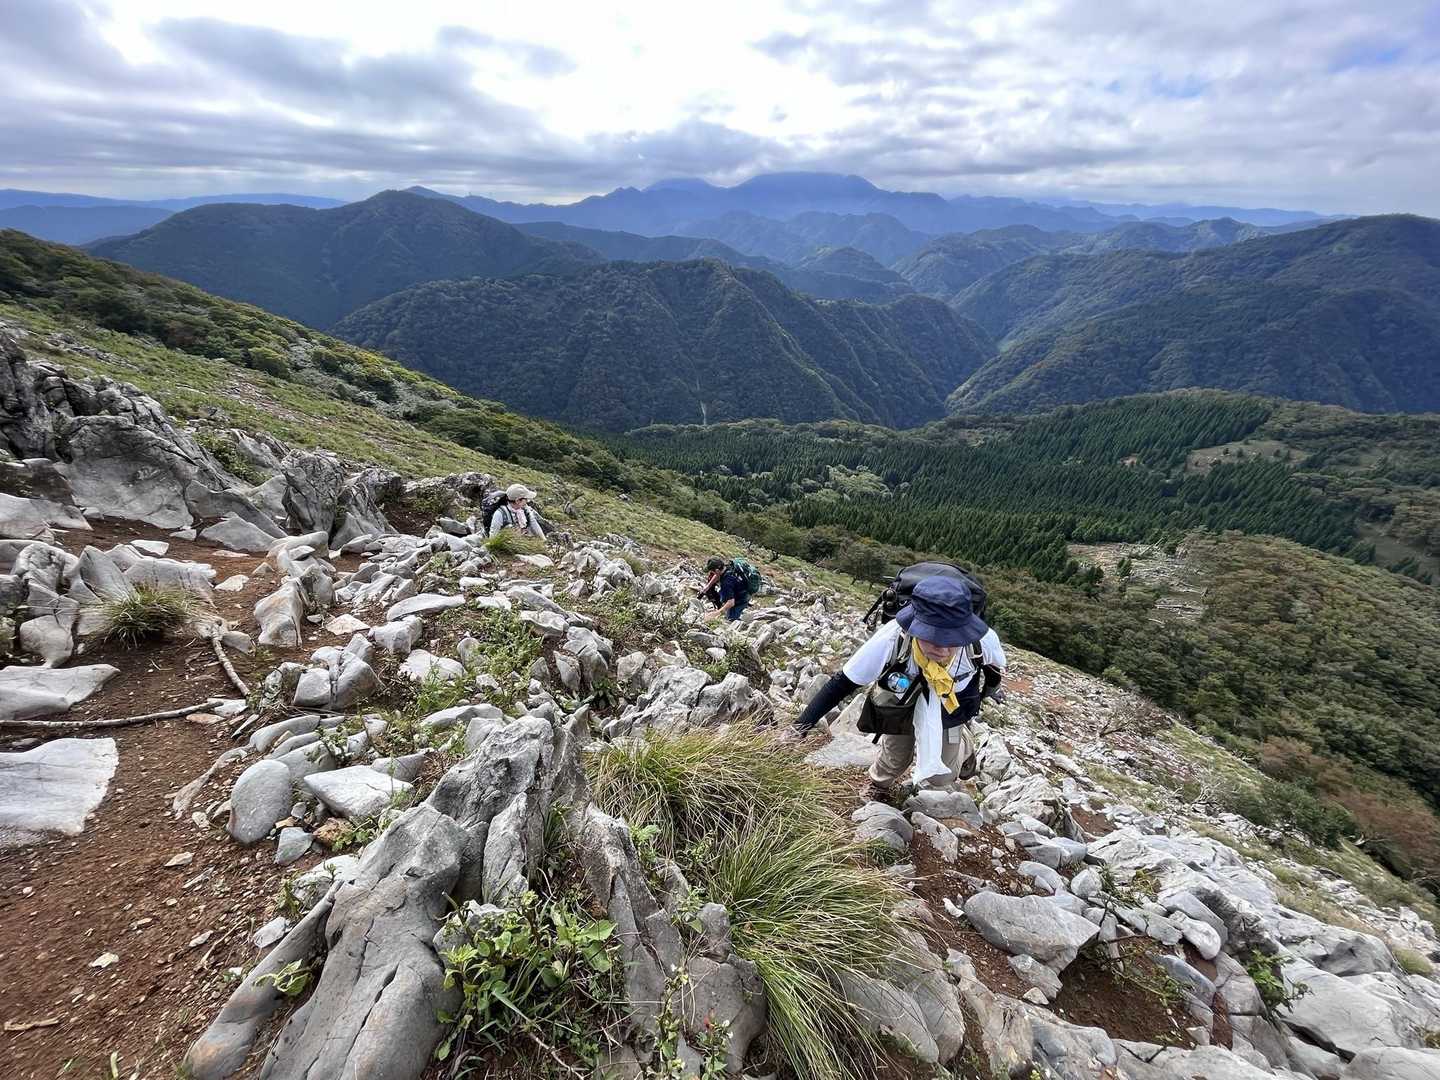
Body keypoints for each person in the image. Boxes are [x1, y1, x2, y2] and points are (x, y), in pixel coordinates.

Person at [791, 575, 1006, 798]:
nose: (943, 650)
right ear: (915, 626)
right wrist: (799, 728)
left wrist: (988, 694)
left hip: (952, 705)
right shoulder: (893, 637)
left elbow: (994, 671)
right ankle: (879, 783)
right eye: (933, 637)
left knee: (941, 777)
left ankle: (964, 744)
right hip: (905, 698)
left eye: (953, 639)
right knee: (895, 754)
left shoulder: (983, 641)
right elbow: (844, 682)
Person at [701, 555, 751, 622]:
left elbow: (731, 602)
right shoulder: (727, 567)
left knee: (730, 620)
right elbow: (717, 575)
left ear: (717, 570)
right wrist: (708, 586)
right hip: (741, 589)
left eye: (712, 571)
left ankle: (741, 619)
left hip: (742, 598)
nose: (712, 573)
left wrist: (716, 613)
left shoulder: (726, 582)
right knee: (724, 597)